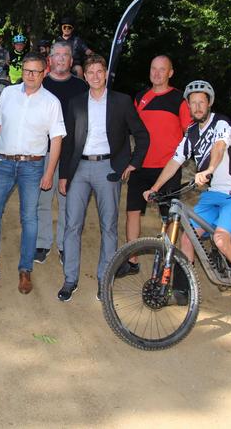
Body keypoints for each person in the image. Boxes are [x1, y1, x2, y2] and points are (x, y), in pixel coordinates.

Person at [143, 80, 231, 310]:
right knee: (187, 239)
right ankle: (182, 292)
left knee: (221, 239)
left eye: (201, 102)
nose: (197, 107)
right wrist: (155, 188)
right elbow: (175, 161)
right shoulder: (191, 133)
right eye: (192, 103)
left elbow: (219, 147)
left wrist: (209, 170)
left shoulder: (221, 123)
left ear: (209, 103)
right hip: (213, 194)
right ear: (188, 106)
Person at [57, 55, 149, 302]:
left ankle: (104, 279)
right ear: (85, 77)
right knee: (72, 225)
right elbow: (67, 143)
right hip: (79, 169)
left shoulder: (122, 101)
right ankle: (70, 279)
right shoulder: (76, 103)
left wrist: (132, 164)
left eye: (100, 71)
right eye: (91, 72)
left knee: (108, 227)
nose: (95, 76)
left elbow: (142, 135)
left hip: (108, 168)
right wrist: (64, 174)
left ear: (106, 74)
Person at [0, 52, 66, 294]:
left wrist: (49, 171)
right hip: (4, 163)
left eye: (35, 71)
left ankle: (25, 270)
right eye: (26, 70)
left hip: (33, 166)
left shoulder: (52, 102)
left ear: (44, 72)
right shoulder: (9, 93)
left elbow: (56, 140)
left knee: (29, 218)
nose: (30, 75)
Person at [123, 55, 192, 271]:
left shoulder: (180, 99)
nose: (157, 73)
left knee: (169, 216)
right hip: (141, 166)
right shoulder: (141, 97)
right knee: (133, 212)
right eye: (154, 69)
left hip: (168, 169)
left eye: (162, 69)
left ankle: (167, 263)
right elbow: (131, 128)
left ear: (170, 73)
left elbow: (190, 133)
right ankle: (131, 260)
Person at [35, 41, 88, 265]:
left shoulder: (81, 87)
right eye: (57, 55)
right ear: (50, 59)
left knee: (68, 202)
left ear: (71, 60)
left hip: (72, 154)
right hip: (43, 151)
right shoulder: (39, 84)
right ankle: (42, 242)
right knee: (43, 201)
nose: (61, 59)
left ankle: (66, 245)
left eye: (65, 55)